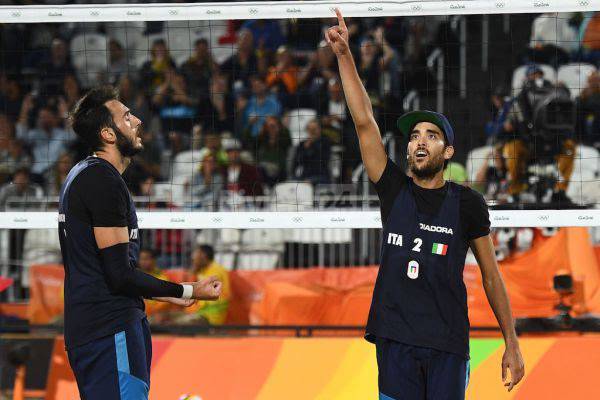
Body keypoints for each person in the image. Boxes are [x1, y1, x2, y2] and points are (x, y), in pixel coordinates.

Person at [326, 10, 524, 399]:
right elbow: (364, 120)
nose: (419, 141)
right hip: (395, 339)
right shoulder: (393, 188)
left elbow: (491, 276)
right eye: (415, 135)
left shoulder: (467, 203)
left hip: (447, 343)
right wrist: (345, 55)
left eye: (431, 136)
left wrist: (512, 342)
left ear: (447, 150)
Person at [58, 86, 222, 400]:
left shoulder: (84, 174)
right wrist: (187, 290)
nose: (137, 122)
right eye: (127, 117)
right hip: (110, 328)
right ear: (108, 133)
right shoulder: (102, 181)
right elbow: (119, 275)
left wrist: (171, 298)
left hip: (96, 327)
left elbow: (113, 270)